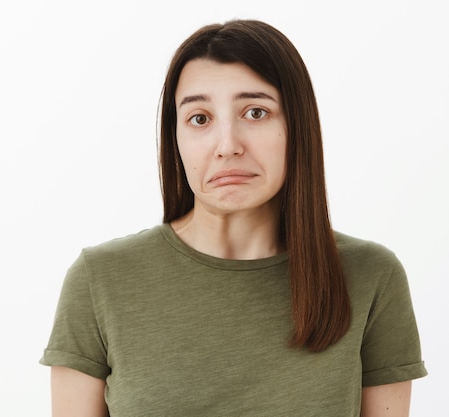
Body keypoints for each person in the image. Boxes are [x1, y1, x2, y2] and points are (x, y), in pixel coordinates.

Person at [40, 19, 427, 416]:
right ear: (176, 139)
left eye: (255, 112)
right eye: (200, 119)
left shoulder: (371, 277)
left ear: (298, 126)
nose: (227, 146)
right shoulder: (100, 280)